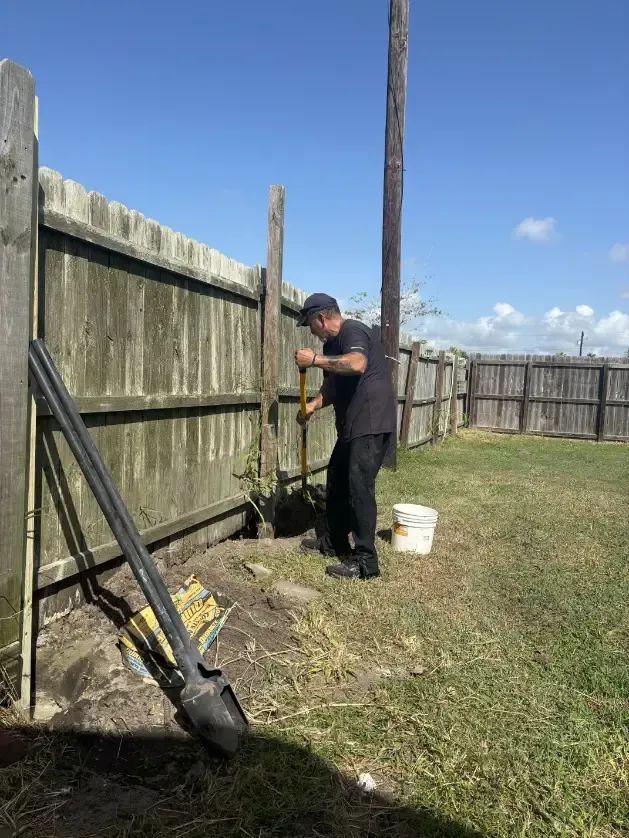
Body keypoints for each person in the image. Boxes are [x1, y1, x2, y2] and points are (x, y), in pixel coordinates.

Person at [294, 293, 396, 580]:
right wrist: (312, 405)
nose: (312, 333)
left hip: (371, 422)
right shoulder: (332, 344)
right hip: (353, 425)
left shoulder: (353, 331)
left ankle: (366, 563)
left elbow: (356, 364)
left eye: (311, 325)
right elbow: (335, 386)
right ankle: (334, 542)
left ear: (321, 319)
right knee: (337, 480)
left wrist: (314, 360)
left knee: (358, 489)